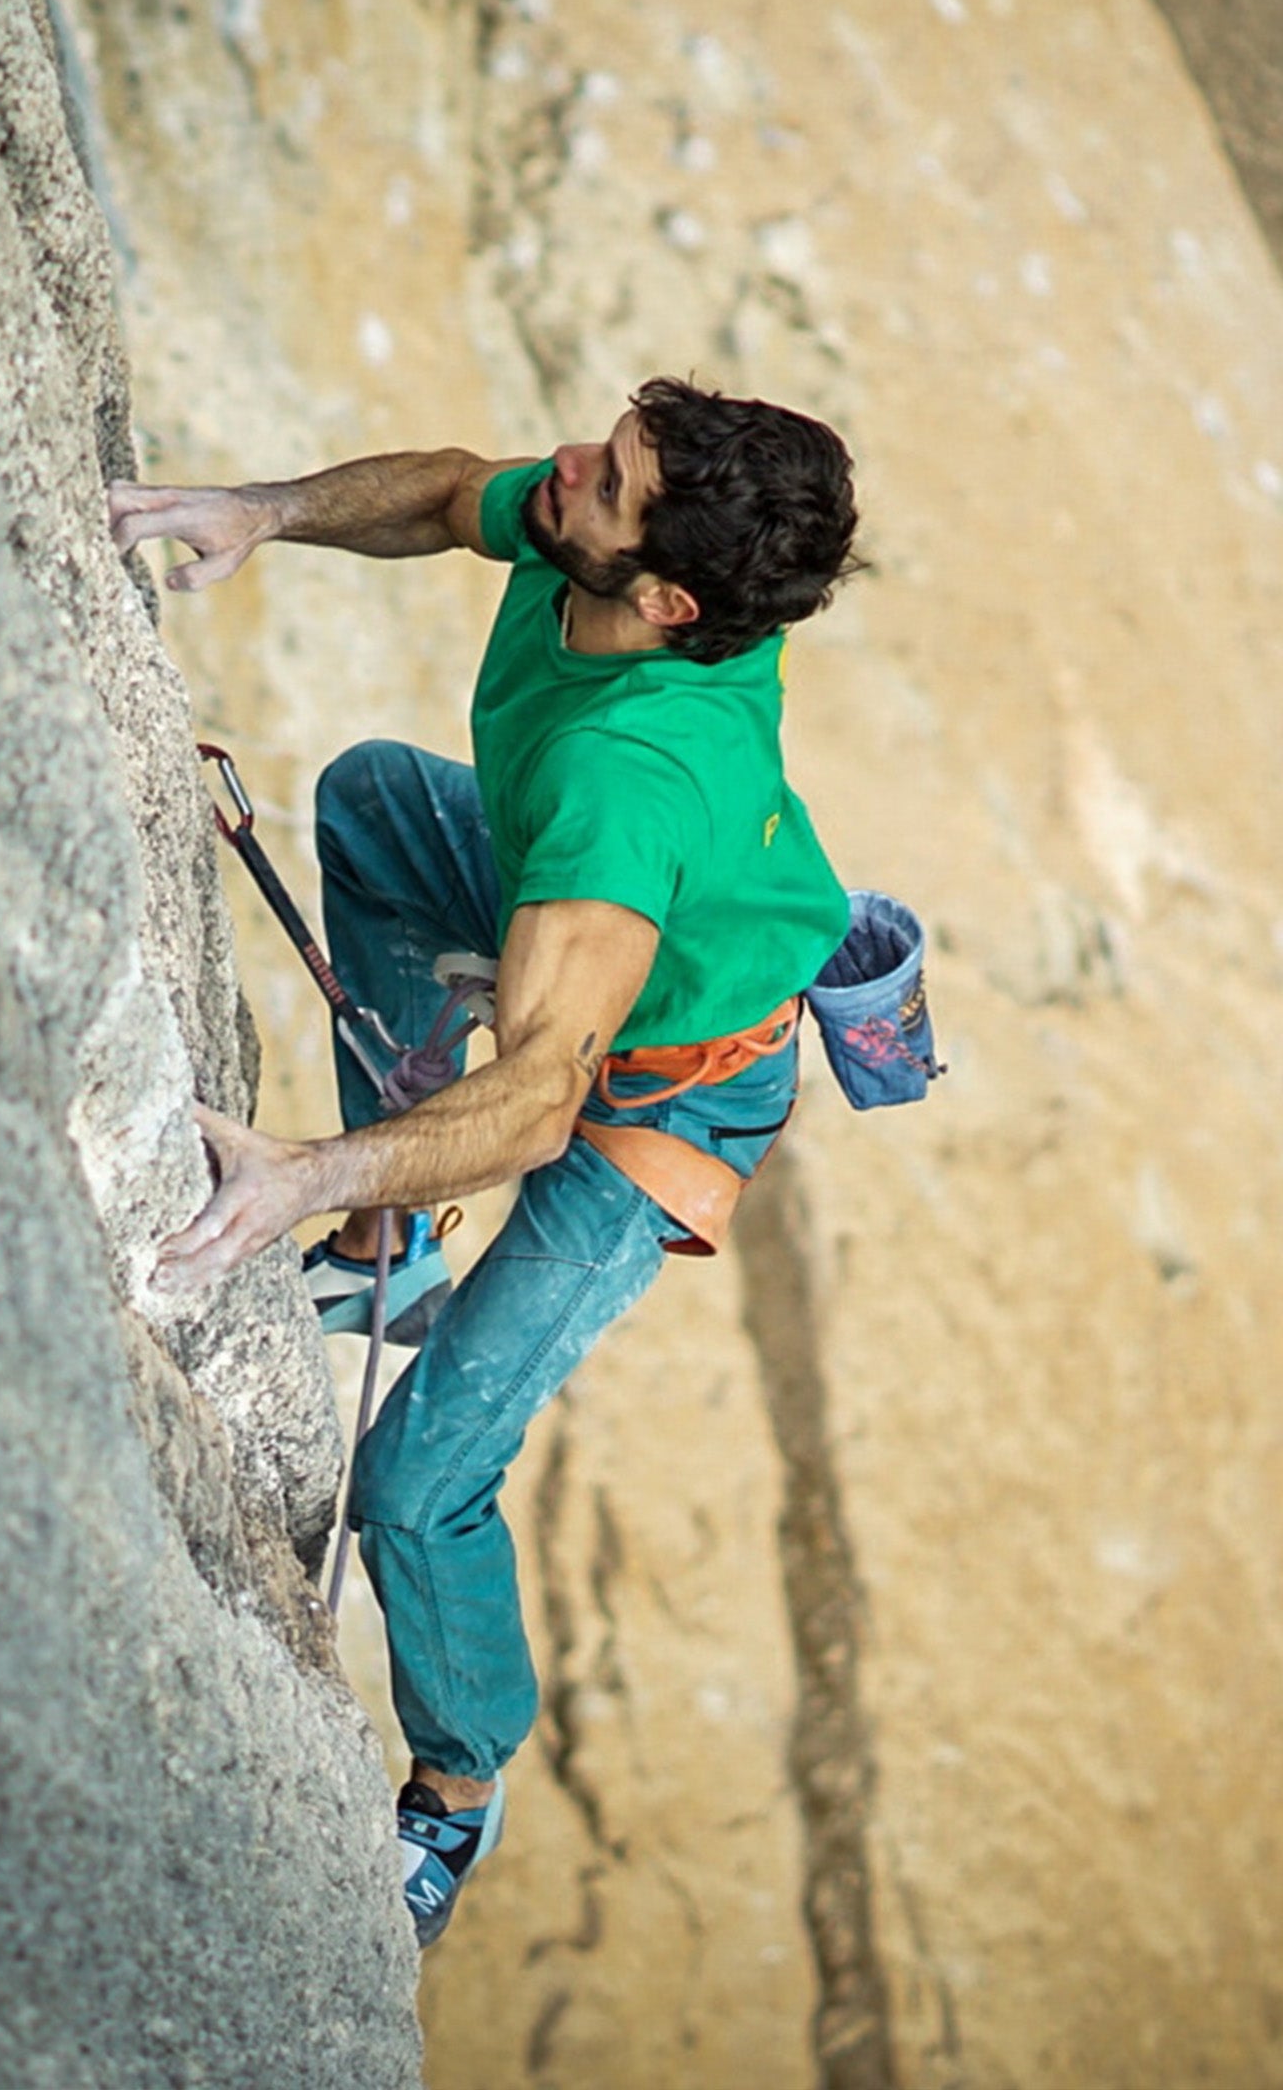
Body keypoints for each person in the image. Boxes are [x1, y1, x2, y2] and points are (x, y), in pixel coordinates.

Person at [107, 376, 861, 1946]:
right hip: (580, 930)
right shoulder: (607, 550)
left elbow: (540, 1104)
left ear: (667, 601)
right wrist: (261, 513)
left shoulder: (625, 782)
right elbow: (454, 490)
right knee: (376, 805)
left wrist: (310, 1171)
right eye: (607, 447)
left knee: (419, 1484)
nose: (567, 467)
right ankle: (389, 1262)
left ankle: (457, 1782)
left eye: (608, 482)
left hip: (662, 1102)